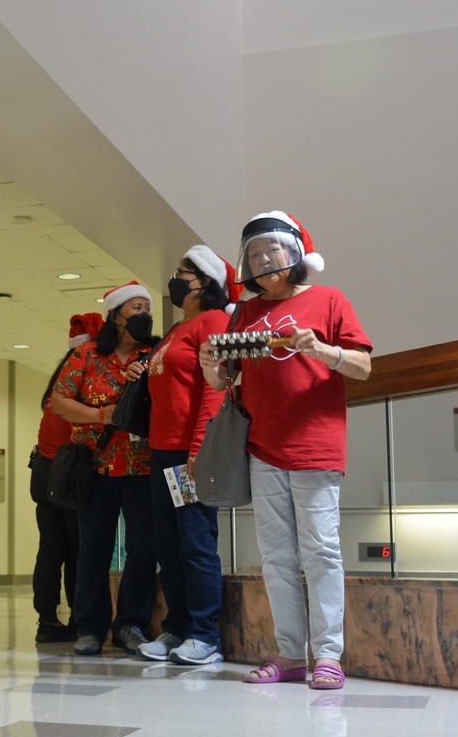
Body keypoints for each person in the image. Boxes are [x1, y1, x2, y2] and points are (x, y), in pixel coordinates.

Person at [199, 212, 372, 690]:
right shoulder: (245, 314)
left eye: (270, 250)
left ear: (293, 252)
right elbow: (226, 379)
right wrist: (210, 366)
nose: (261, 259)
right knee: (275, 555)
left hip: (315, 445)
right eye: (253, 253)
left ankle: (330, 655)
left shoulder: (329, 299)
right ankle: (291, 653)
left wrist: (323, 351)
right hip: (261, 446)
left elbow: (363, 366)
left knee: (321, 551)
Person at [128, 246, 240, 666]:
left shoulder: (214, 322)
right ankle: (175, 630)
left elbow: (213, 392)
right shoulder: (178, 328)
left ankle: (204, 634)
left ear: (204, 282)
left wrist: (198, 451)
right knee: (168, 545)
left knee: (195, 543)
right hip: (161, 452)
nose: (173, 280)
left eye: (181, 273)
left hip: (188, 452)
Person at [51, 283, 158, 656]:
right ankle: (90, 627)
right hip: (95, 466)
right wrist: (101, 415)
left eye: (147, 307)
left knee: (143, 548)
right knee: (93, 549)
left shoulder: (156, 355)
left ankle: (130, 624)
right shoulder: (88, 354)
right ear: (116, 315)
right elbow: (59, 402)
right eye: (136, 307)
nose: (144, 313)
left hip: (142, 467)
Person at [31, 312, 103, 643]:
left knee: (50, 549)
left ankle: (47, 620)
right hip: (72, 472)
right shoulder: (84, 377)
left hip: (46, 472)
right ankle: (78, 617)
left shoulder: (56, 381)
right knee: (77, 549)